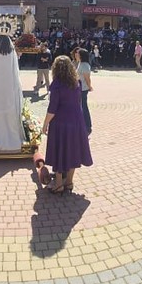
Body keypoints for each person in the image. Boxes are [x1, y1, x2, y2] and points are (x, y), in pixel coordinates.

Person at [43, 56, 92, 193]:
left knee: (60, 150)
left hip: (61, 121)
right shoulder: (77, 82)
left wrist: (45, 124)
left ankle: (58, 183)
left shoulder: (56, 84)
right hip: (76, 120)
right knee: (73, 150)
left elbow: (52, 108)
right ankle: (69, 182)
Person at [75, 48, 93, 135]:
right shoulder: (80, 63)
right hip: (79, 88)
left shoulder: (85, 65)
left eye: (78, 53)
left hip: (83, 88)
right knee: (81, 106)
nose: (76, 55)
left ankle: (88, 126)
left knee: (84, 107)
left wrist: (89, 86)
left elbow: (87, 78)